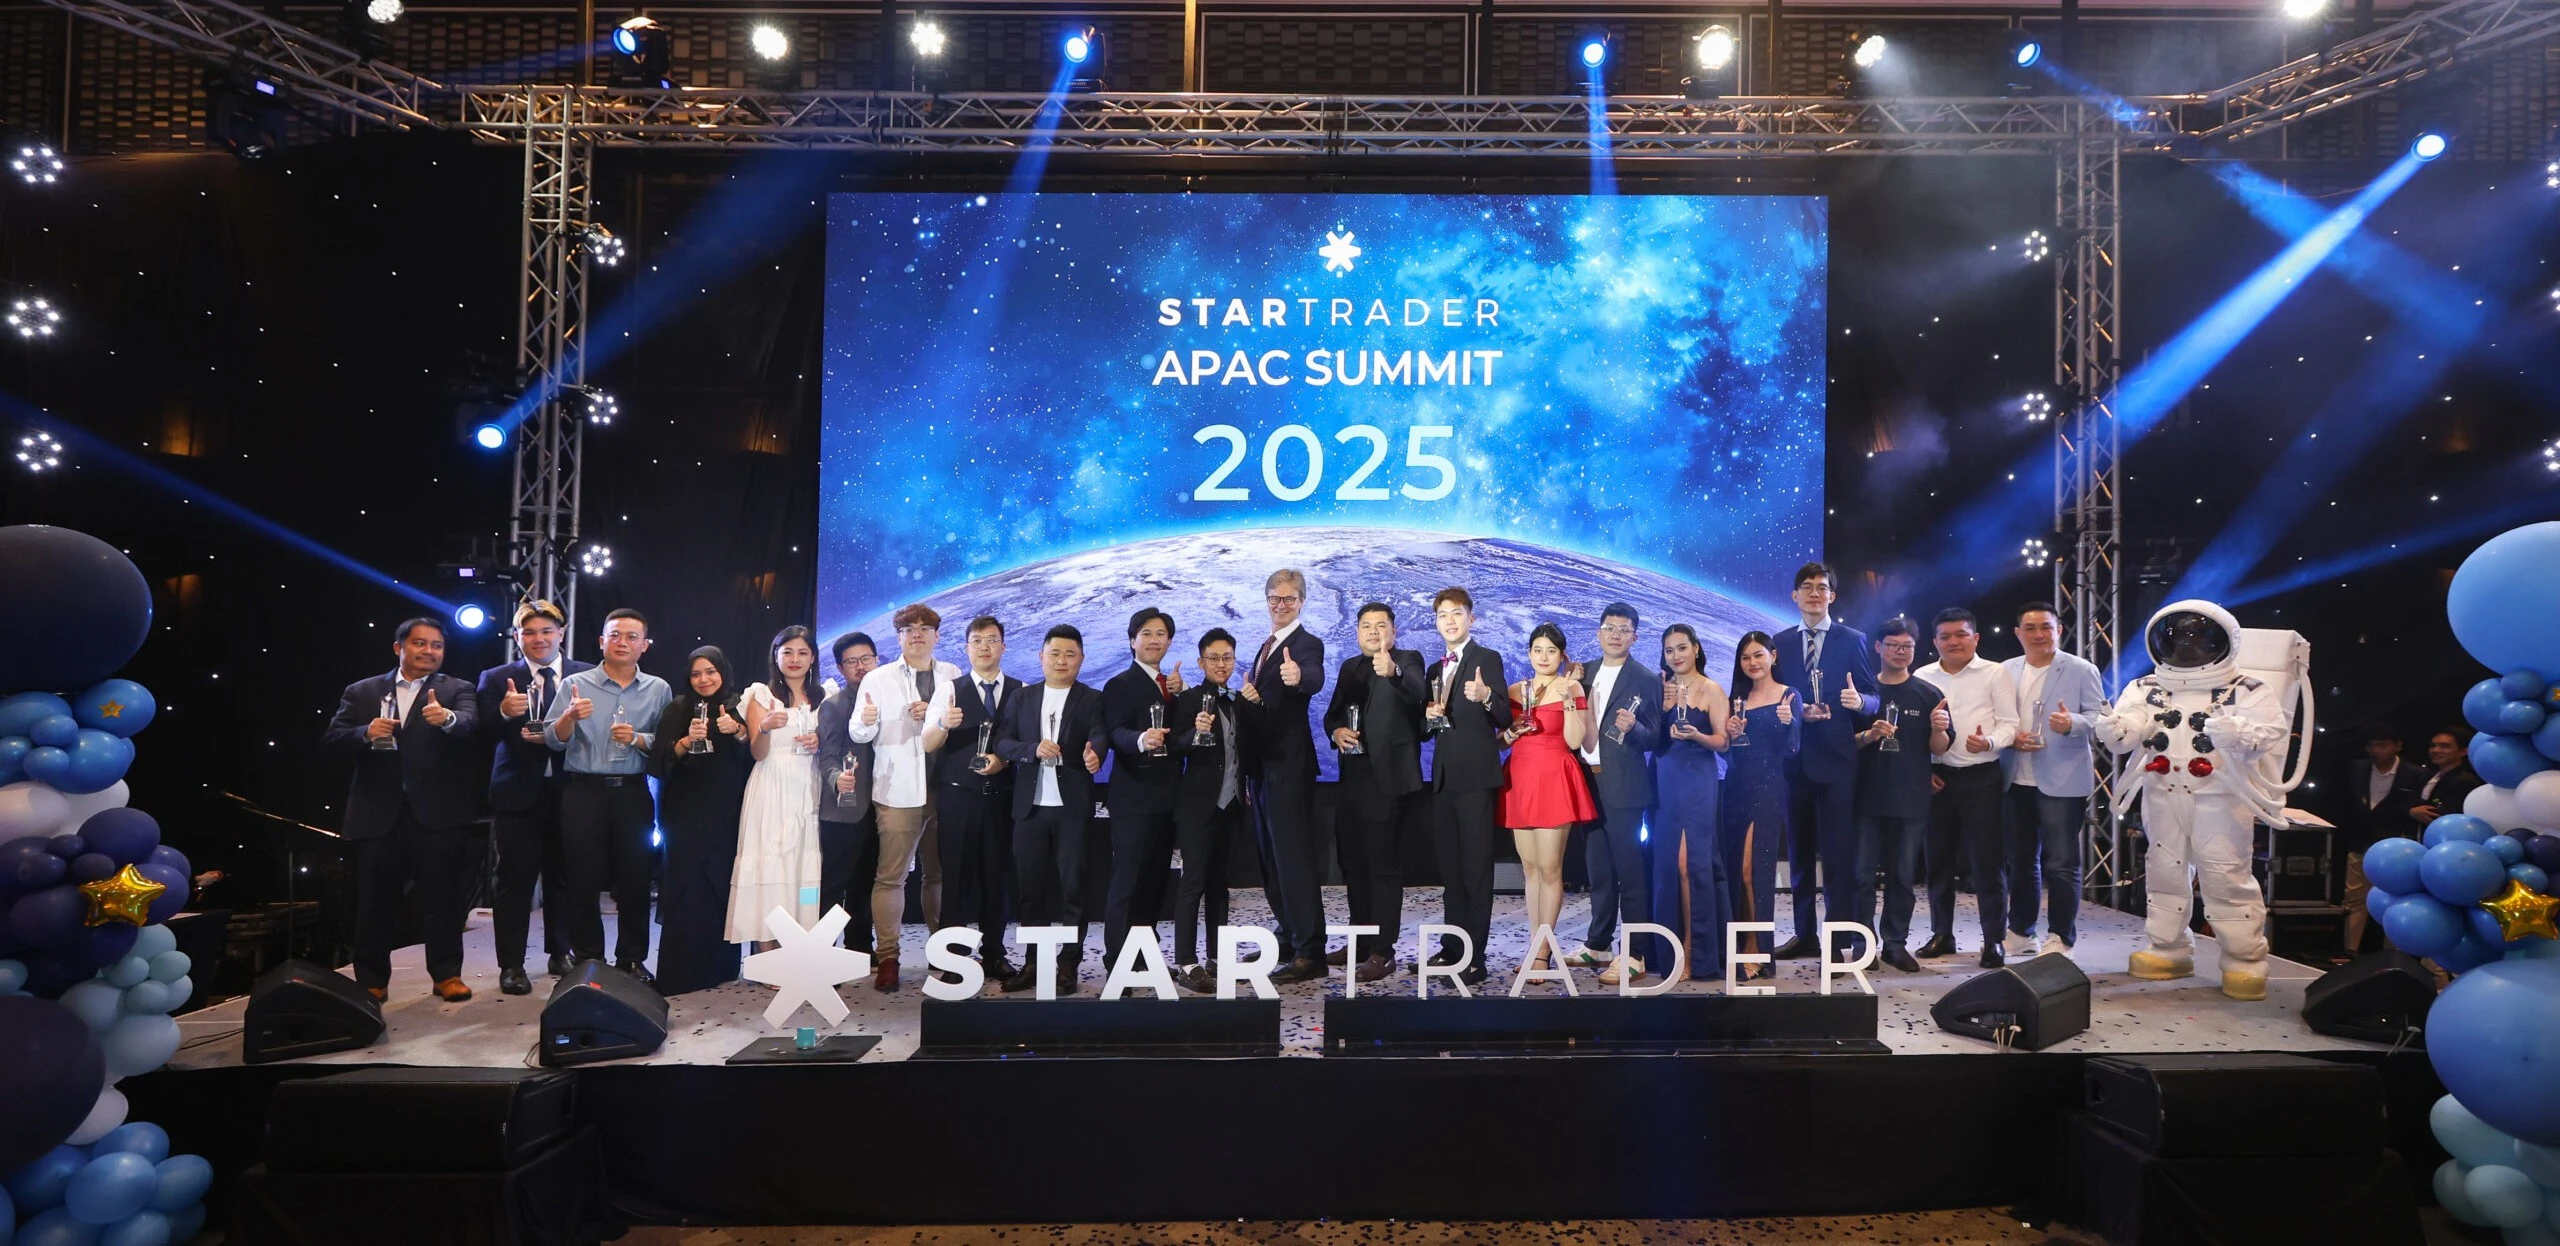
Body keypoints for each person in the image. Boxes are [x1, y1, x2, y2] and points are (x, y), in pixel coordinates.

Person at [2090, 599, 2289, 1000]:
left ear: (2223, 639)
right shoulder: (2147, 688)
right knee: (2164, 869)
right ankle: (2168, 948)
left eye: (2198, 636)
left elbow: (2270, 731)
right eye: (2179, 637)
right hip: (2162, 793)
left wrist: (2237, 734)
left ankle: (2244, 958)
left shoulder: (2245, 689)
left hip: (2220, 796)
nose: (2187, 644)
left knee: (2224, 873)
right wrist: (2115, 730)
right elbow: (2129, 730)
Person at [323, 617, 481, 1002]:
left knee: (444, 900)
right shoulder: (362, 691)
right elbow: (332, 740)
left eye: (437, 645)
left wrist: (447, 719)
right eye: (420, 643)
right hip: (378, 814)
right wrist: (364, 733)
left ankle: (447, 974)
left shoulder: (457, 689)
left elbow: (470, 726)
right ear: (399, 648)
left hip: (438, 814)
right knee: (375, 902)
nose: (429, 651)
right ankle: (371, 979)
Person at [547, 608, 671, 981]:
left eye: (632, 637)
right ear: (602, 641)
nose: (622, 642)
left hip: (632, 792)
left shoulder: (658, 689)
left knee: (635, 879)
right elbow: (552, 738)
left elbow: (665, 744)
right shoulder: (576, 683)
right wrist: (568, 717)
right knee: (582, 878)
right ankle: (589, 958)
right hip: (584, 791)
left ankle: (631, 959)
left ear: (645, 645)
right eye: (615, 635)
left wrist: (637, 738)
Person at [473, 600, 588, 995]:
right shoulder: (496, 677)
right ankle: (512, 965)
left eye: (546, 631)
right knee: (514, 880)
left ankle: (560, 952)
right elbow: (479, 735)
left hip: (572, 790)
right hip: (517, 793)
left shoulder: (585, 674)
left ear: (561, 633)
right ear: (517, 637)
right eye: (530, 632)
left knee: (564, 877)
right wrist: (504, 713)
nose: (539, 639)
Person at [847, 604, 963, 991]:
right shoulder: (878, 678)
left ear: (936, 635)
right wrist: (866, 721)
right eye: (908, 629)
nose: (917, 634)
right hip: (898, 791)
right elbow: (859, 733)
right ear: (898, 637)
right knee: (891, 877)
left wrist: (934, 715)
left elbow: (959, 725)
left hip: (945, 789)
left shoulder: (952, 674)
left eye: (925, 628)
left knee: (939, 875)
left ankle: (942, 953)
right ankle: (889, 958)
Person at [1769, 563, 1879, 960]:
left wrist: (1859, 702)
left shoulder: (1853, 639)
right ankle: (1804, 935)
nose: (1815, 593)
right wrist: (1792, 713)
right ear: (1794, 595)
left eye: (1822, 587)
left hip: (1836, 763)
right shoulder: (1779, 642)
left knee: (1837, 855)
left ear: (1832, 595)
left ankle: (1836, 940)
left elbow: (1873, 698)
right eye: (1807, 587)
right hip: (1794, 761)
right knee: (1798, 855)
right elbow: (1771, 696)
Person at [994, 625, 1106, 994]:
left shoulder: (1091, 698)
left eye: (1070, 654)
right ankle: (1033, 963)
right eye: (1054, 653)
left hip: (1072, 808)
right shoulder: (1022, 698)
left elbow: (1100, 734)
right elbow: (1003, 742)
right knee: (1030, 890)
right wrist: (1031, 750)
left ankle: (1068, 965)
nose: (1061, 661)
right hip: (1029, 808)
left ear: (1081, 659)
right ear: (1041, 657)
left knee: (1074, 889)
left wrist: (1095, 754)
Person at [1324, 602, 1427, 982]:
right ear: (1357, 632)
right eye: (1366, 625)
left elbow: (1418, 693)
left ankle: (1384, 951)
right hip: (1352, 779)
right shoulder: (1350, 667)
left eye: (1380, 625)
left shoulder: (1408, 660)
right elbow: (1332, 715)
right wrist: (1336, 732)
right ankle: (1360, 941)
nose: (1373, 632)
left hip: (1389, 781)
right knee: (1353, 864)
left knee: (1383, 865)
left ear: (1393, 631)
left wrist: (1394, 672)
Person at [1914, 607, 2019, 969]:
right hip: (1936, 780)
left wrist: (1989, 742)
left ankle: (1993, 940)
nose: (1953, 642)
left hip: (1981, 777)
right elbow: (1914, 733)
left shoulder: (1995, 673)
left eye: (1961, 634)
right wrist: (1923, 769)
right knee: (1937, 862)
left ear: (1975, 638)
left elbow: (2010, 724)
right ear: (1935, 642)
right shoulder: (1922, 676)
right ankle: (1942, 933)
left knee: (1987, 864)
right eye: (1945, 636)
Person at [2001, 600, 2107, 957]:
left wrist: (2073, 722)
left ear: (2058, 630)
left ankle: (2061, 937)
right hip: (2014, 776)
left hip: (2062, 779)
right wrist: (2010, 737)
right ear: (2018, 633)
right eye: (2030, 628)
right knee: (2020, 861)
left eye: (2046, 627)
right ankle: (2020, 932)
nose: (2038, 634)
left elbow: (2102, 718)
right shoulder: (2005, 670)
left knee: (2061, 864)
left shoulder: (2081, 669)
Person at [1239, 568, 1328, 985]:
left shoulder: (1306, 644)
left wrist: (1299, 679)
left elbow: (1312, 676)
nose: (1281, 605)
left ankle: (1311, 951)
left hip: (1289, 770)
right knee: (1271, 861)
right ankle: (1290, 937)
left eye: (1289, 599)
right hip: (1262, 770)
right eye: (1275, 598)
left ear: (1302, 602)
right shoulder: (1266, 644)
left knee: (1293, 861)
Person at [920, 616, 1020, 985]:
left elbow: (1025, 743)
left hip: (1002, 798)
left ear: (1003, 646)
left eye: (992, 640)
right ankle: (954, 958)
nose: (984, 647)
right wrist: (943, 723)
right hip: (958, 798)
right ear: (966, 648)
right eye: (977, 641)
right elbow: (927, 743)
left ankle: (995, 954)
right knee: (956, 878)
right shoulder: (949, 690)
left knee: (997, 877)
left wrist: (1003, 760)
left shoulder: (1021, 691)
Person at [1849, 617, 1950, 974]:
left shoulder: (1929, 694)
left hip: (1910, 799)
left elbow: (1940, 748)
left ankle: (1895, 944)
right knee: (1861, 876)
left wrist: (1939, 729)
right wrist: (1869, 736)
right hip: (1865, 797)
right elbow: (1846, 743)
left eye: (1907, 646)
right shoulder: (1863, 694)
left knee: (1903, 877)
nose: (1900, 651)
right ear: (1878, 647)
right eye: (1893, 645)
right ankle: (1863, 946)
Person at [1425, 587, 1512, 988]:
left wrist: (1486, 695)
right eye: (1443, 615)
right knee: (1451, 872)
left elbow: (1505, 716)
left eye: (1456, 613)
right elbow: (1427, 731)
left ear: (1471, 618)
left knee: (1476, 871)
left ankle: (1474, 958)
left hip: (1476, 780)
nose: (1450, 621)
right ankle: (1452, 948)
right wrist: (1428, 716)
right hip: (1444, 780)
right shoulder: (1434, 668)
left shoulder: (1486, 658)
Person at [1571, 603, 1662, 986]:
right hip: (1587, 783)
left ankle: (1636, 952)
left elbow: (1654, 736)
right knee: (1599, 870)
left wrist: (1635, 728)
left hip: (1624, 785)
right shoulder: (1583, 672)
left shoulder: (1645, 678)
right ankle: (1599, 944)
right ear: (1599, 632)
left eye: (1624, 629)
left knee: (1630, 872)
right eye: (1610, 627)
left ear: (1634, 637)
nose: (1615, 634)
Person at [650, 647, 750, 994]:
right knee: (687, 887)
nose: (704, 679)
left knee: (721, 886)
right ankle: (682, 974)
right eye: (696, 674)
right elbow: (658, 763)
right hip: (685, 814)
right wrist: (685, 740)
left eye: (710, 672)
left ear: (723, 672)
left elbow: (756, 756)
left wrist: (738, 731)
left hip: (727, 813)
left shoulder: (738, 706)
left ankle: (722, 968)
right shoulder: (679, 707)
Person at [1501, 623, 1597, 973]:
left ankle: (1542, 952)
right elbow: (1499, 740)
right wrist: (1511, 732)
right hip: (1521, 778)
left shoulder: (1571, 687)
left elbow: (1574, 741)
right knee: (1529, 869)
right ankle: (1535, 944)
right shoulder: (1516, 690)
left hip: (1555, 777)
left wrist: (1569, 697)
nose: (1544, 657)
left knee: (1550, 868)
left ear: (1562, 655)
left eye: (1551, 651)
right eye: (1538, 650)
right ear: (1529, 653)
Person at [725, 627, 826, 954]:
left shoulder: (826, 695)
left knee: (804, 866)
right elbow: (758, 752)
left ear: (812, 658)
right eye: (788, 652)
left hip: (809, 785)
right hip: (771, 786)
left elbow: (836, 744)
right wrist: (765, 729)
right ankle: (767, 952)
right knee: (769, 863)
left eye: (802, 652)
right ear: (776, 656)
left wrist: (820, 741)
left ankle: (800, 948)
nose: (795, 659)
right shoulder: (761, 695)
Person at [1099, 608, 1185, 972]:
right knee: (1127, 881)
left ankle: (1144, 956)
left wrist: (1182, 696)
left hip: (1167, 799)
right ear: (1132, 640)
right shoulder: (1119, 684)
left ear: (1169, 641)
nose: (1154, 640)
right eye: (1146, 633)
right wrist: (1140, 739)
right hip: (1133, 799)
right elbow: (1115, 732)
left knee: (1154, 880)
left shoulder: (1172, 686)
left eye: (1161, 634)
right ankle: (1117, 959)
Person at [1649, 623, 1731, 984]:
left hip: (1698, 780)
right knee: (1668, 866)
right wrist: (1661, 709)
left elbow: (1723, 742)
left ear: (1696, 648)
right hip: (1664, 780)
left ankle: (1695, 949)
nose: (1676, 656)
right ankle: (1671, 952)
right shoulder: (1660, 688)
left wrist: (1697, 735)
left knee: (1690, 864)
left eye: (1682, 648)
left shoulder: (1712, 689)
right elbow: (1649, 739)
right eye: (1669, 650)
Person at [1170, 628, 1249, 993]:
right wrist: (1193, 733)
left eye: (1227, 658)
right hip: (1198, 807)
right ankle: (1186, 961)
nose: (1221, 664)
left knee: (1220, 886)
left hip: (1232, 806)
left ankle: (1217, 958)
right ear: (1201, 662)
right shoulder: (1188, 700)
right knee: (1193, 883)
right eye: (1214, 658)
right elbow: (1174, 744)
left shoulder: (1240, 700)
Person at [1723, 630, 1800, 979]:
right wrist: (1730, 734)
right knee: (1736, 871)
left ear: (1773, 656)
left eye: (1758, 655)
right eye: (1745, 657)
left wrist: (1789, 724)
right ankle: (1741, 945)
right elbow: (1728, 753)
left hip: (1769, 789)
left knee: (1753, 870)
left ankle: (1758, 949)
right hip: (1735, 789)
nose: (1752, 662)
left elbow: (1794, 751)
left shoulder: (1788, 695)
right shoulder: (1737, 698)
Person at [815, 632, 881, 955]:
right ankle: (824, 951)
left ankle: (860, 946)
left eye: (866, 659)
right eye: (851, 662)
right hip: (844, 808)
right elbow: (827, 756)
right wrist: (835, 778)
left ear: (877, 660)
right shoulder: (834, 706)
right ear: (841, 668)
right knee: (835, 884)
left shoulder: (888, 699)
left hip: (882, 806)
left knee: (867, 882)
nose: (860, 666)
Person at [2341, 723, 2428, 956]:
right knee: (2354, 898)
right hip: (2361, 842)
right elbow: (2348, 803)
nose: (2376, 750)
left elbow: (2414, 806)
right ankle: (2348, 951)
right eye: (2371, 745)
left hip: (2397, 849)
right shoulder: (2357, 768)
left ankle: (2393, 954)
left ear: (2397, 746)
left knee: (2394, 900)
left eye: (2382, 745)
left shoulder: (2415, 774)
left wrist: (2407, 811)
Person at [2409, 730, 2481, 828]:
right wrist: (2412, 810)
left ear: (2463, 751)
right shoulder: (2427, 775)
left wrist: (2416, 811)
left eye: (2444, 746)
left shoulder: (2465, 781)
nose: (2435, 750)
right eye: (2433, 746)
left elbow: (2449, 813)